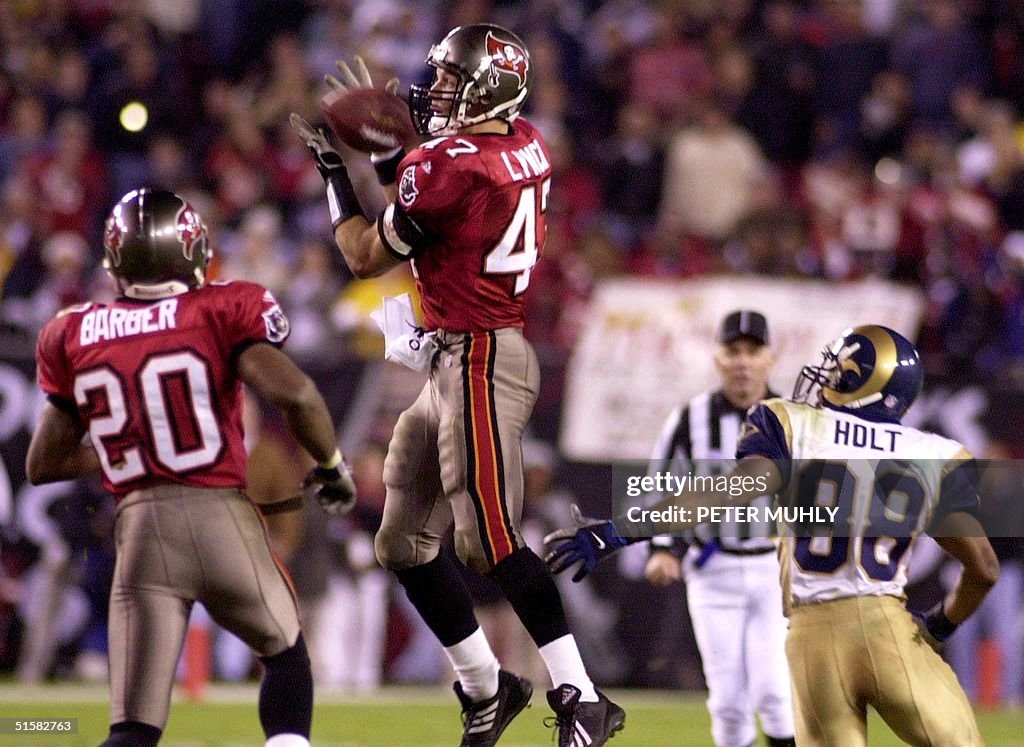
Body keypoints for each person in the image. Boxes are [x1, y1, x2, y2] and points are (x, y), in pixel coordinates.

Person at [290, 23, 625, 747]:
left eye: (449, 79)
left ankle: (584, 696)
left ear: (487, 90)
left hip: (481, 356)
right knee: (403, 542)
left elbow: (363, 254)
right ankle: (486, 686)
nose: (434, 89)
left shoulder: (446, 164)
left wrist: (333, 173)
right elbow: (431, 201)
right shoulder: (520, 140)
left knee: (489, 539)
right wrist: (389, 152)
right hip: (456, 354)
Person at [546, 325, 999, 747]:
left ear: (866, 384)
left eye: (840, 370)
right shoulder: (935, 454)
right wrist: (941, 623)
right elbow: (983, 567)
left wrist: (621, 531)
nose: (826, 378)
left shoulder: (792, 424)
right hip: (889, 628)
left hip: (812, 640)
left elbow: (725, 493)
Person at [25, 188, 357, 747]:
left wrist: (128, 440)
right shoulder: (222, 309)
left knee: (132, 728)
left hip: (140, 531)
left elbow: (43, 462)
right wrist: (330, 464)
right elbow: (297, 395)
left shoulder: (74, 331)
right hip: (218, 514)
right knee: (286, 654)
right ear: (191, 251)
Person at [643, 310, 795, 747]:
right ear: (717, 357)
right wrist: (665, 548)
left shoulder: (792, 418)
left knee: (774, 693)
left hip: (775, 572)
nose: (743, 361)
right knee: (728, 702)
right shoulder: (689, 419)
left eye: (753, 350)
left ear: (770, 357)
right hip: (713, 570)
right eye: (733, 351)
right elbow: (659, 488)